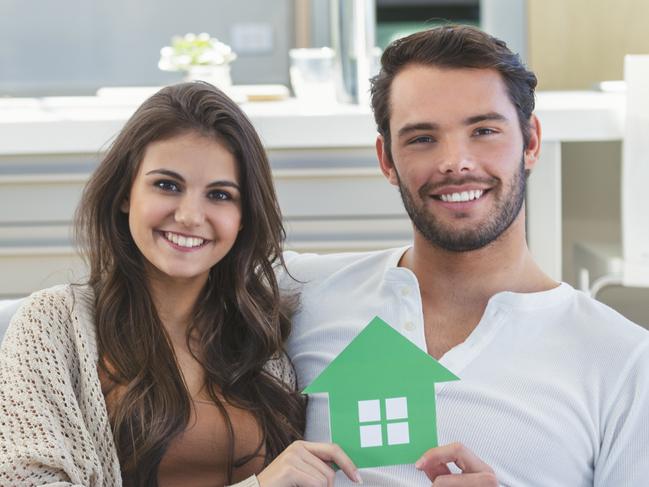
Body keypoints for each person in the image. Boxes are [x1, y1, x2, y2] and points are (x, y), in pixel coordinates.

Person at [280, 25, 649, 486]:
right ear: (386, 160)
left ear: (530, 142)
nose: (456, 162)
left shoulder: (624, 361)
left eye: (484, 130)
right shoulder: (304, 290)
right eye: (422, 138)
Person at [0, 82, 361, 486]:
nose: (190, 215)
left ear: (243, 218)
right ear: (125, 193)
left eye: (220, 195)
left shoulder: (265, 334)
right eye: (167, 185)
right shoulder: (52, 324)